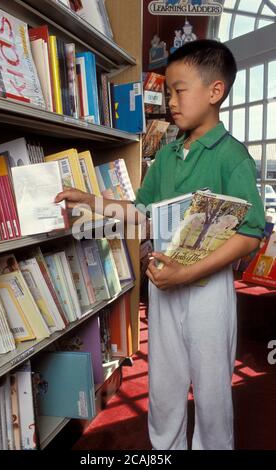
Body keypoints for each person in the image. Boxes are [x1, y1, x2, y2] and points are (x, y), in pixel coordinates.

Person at [55, 39, 265, 450]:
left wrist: (187, 272)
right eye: (167, 91)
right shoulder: (166, 157)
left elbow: (251, 233)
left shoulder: (233, 156)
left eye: (179, 89)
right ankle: (163, 450)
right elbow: (141, 212)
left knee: (211, 388)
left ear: (214, 92)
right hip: (164, 285)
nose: (170, 100)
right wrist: (91, 201)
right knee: (164, 383)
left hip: (208, 292)